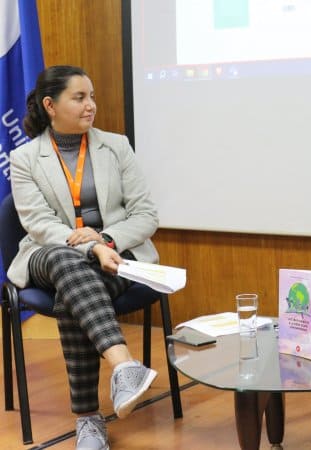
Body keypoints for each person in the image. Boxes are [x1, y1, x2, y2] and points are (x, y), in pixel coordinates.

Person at [8, 65, 161, 450]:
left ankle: (89, 421)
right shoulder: (26, 158)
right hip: (47, 253)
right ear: (50, 105)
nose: (91, 105)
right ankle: (124, 364)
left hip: (116, 255)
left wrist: (107, 238)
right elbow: (39, 224)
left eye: (92, 96)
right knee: (64, 260)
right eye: (79, 97)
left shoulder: (116, 146)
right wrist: (91, 246)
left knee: (71, 294)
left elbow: (145, 214)